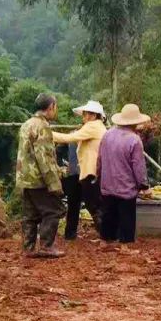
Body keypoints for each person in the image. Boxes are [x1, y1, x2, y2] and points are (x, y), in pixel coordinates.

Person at [16, 93, 66, 258]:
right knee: (53, 210)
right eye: (55, 107)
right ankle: (46, 246)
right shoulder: (43, 127)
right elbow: (45, 158)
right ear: (51, 107)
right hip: (38, 179)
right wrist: (54, 183)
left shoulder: (26, 124)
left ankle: (28, 248)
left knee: (29, 215)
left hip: (25, 177)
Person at [97, 103, 154, 244]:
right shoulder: (134, 140)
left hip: (107, 184)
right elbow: (138, 167)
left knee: (108, 215)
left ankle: (105, 242)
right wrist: (144, 186)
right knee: (126, 217)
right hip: (126, 187)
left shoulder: (107, 134)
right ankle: (125, 245)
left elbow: (100, 159)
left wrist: (99, 176)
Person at [52, 100, 106, 240]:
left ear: (93, 115)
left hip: (90, 171)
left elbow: (69, 138)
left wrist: (47, 133)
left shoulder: (92, 126)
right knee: (92, 204)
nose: (83, 117)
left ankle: (108, 235)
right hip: (87, 171)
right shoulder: (97, 127)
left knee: (93, 205)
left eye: (85, 114)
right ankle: (107, 234)